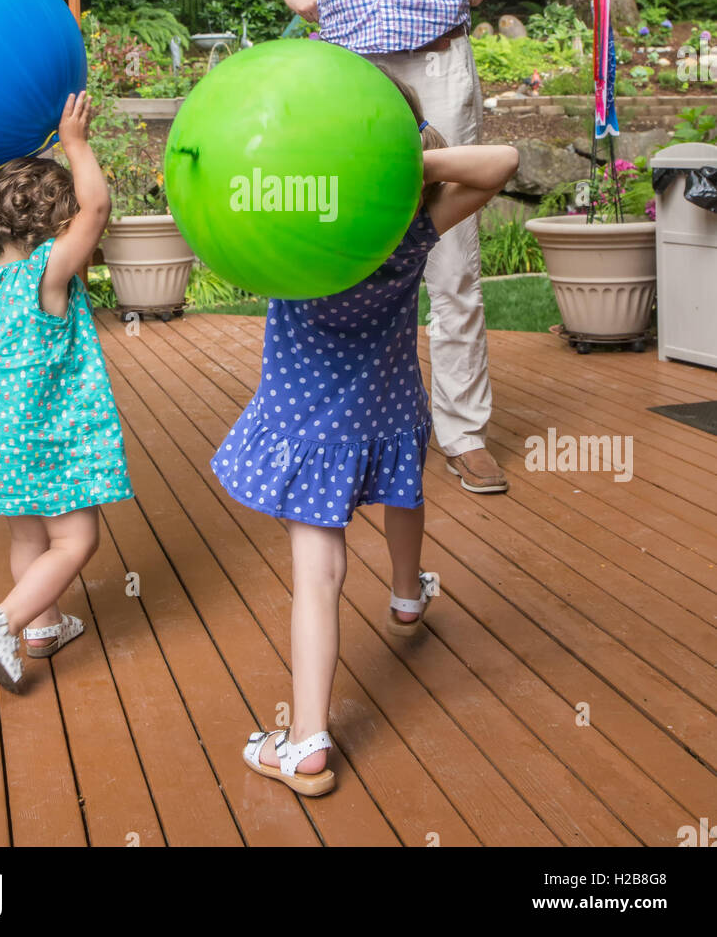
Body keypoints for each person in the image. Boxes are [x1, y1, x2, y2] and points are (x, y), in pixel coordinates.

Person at [233, 0, 562, 495]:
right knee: (346, 248)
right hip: (347, 83)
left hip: (438, 63)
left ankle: (463, 431)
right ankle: (352, 418)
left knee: (450, 258)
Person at [211, 69, 519, 794]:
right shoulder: (414, 224)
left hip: (308, 426)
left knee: (317, 579)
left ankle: (306, 740)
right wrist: (409, 162)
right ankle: (408, 594)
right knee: (404, 487)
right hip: (385, 407)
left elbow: (232, 197)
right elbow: (503, 163)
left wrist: (344, 161)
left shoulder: (289, 233)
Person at [0, 91, 134, 693]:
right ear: (59, 228)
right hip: (44, 436)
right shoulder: (47, 275)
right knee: (77, 538)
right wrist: (76, 144)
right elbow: (97, 209)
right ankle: (3, 621)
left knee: (28, 535)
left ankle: (44, 626)